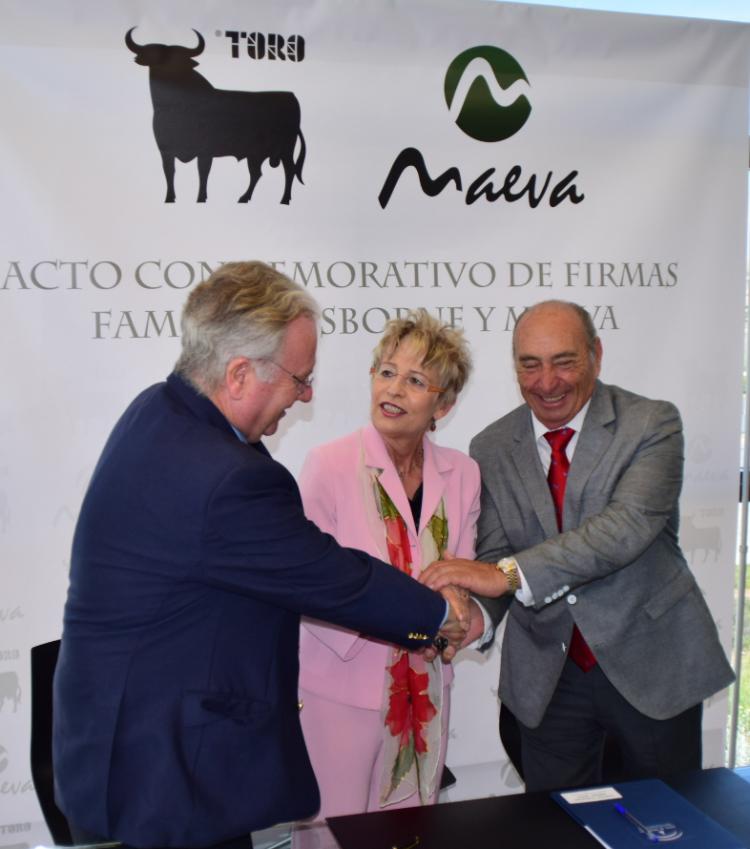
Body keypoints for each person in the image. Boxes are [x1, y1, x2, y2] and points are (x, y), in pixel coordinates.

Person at [52, 262, 468, 849]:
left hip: (120, 749)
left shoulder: (159, 410)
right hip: (165, 783)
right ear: (240, 373)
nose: (307, 395)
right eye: (300, 378)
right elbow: (331, 577)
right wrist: (437, 615)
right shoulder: (227, 478)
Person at [421, 299, 734, 792]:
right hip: (549, 679)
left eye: (564, 362)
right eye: (530, 365)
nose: (547, 382)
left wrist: (503, 575)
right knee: (558, 825)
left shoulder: (651, 424)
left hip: (650, 667)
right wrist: (473, 616)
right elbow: (493, 554)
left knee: (668, 822)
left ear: (596, 355)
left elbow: (623, 530)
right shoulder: (492, 446)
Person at [293, 312, 479, 849]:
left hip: (425, 689)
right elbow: (310, 584)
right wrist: (411, 614)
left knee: (408, 834)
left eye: (415, 381)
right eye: (386, 372)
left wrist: (451, 615)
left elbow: (459, 577)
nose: (393, 389)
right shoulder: (327, 464)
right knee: (333, 836)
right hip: (339, 686)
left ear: (442, 406)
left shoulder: (463, 472)